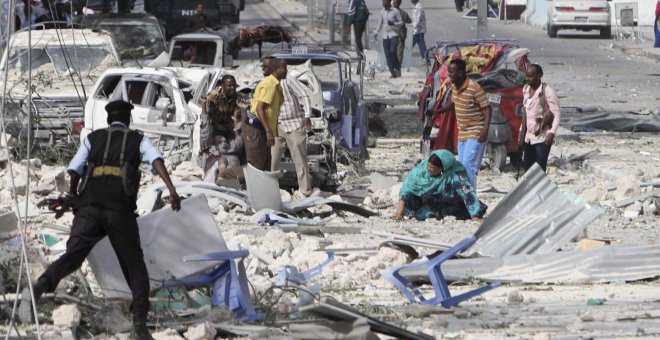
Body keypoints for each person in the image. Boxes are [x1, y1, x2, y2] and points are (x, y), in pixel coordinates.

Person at [28, 100, 181, 340]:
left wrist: (72, 196)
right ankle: (139, 326)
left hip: (88, 208)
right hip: (120, 211)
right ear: (128, 120)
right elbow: (156, 161)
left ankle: (43, 283)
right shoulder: (138, 140)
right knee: (135, 267)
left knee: (74, 256)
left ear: (108, 120)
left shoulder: (93, 138)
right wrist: (171, 190)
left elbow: (74, 170)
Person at [438, 59, 491, 189]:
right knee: (460, 166)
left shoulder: (473, 87)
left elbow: (487, 108)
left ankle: (471, 197)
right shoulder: (454, 86)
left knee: (468, 164)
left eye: (451, 72)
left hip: (476, 130)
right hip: (463, 131)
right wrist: (438, 111)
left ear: (461, 73)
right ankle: (464, 193)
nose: (449, 75)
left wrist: (485, 130)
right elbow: (455, 102)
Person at [393, 150, 487, 221]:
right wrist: (398, 212)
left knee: (458, 207)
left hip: (446, 202)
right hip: (424, 202)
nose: (429, 169)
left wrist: (475, 215)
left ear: (443, 169)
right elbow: (406, 190)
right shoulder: (419, 172)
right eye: (428, 166)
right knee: (409, 201)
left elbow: (467, 192)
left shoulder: (453, 174)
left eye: (433, 168)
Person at [271, 71, 313, 197]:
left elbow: (304, 95)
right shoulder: (266, 82)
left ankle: (305, 191)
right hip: (277, 126)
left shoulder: (287, 80)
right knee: (272, 161)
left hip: (293, 124)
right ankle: (271, 191)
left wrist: (307, 115)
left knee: (300, 160)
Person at [200, 74, 245, 182]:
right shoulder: (213, 97)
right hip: (215, 126)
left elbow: (243, 117)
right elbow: (206, 119)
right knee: (207, 142)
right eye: (230, 86)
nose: (233, 88)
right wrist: (206, 142)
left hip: (230, 127)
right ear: (222, 86)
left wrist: (241, 112)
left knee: (240, 146)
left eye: (234, 86)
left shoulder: (238, 97)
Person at [245, 58, 287, 171]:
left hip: (264, 130)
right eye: (283, 68)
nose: (286, 71)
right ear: (275, 69)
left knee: (266, 166)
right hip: (258, 129)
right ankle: (227, 175)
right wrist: (268, 131)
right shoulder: (270, 84)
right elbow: (259, 109)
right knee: (257, 167)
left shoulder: (276, 84)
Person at [518, 64, 560, 172]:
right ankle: (530, 189)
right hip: (528, 138)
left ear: (539, 75)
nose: (528, 79)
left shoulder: (547, 91)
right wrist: (521, 131)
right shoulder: (526, 89)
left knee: (540, 171)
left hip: (542, 137)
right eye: (527, 76)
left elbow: (556, 114)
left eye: (531, 76)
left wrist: (552, 132)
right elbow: (526, 113)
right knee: (528, 170)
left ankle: (540, 189)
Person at [373, 0, 403, 78]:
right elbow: (379, 23)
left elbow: (401, 23)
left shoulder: (395, 11)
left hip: (394, 34)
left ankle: (397, 68)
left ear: (389, 2)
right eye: (383, 1)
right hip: (385, 36)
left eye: (386, 1)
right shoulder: (382, 12)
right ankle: (392, 72)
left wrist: (394, 24)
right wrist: (376, 32)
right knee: (387, 54)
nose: (384, 3)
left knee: (393, 51)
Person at [393, 0, 412, 68]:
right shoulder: (404, 13)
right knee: (399, 53)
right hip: (401, 35)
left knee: (393, 51)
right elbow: (409, 21)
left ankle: (394, 67)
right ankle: (398, 67)